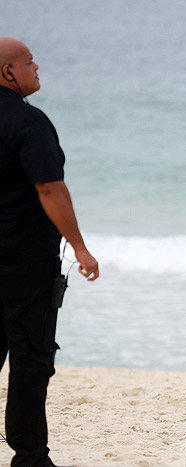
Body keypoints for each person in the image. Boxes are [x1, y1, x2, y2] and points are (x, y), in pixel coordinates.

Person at [0, 37, 99, 466]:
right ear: (8, 72)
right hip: (23, 261)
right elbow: (49, 187)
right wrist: (80, 247)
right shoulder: (28, 121)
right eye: (28, 62)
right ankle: (30, 456)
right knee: (30, 356)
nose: (36, 67)